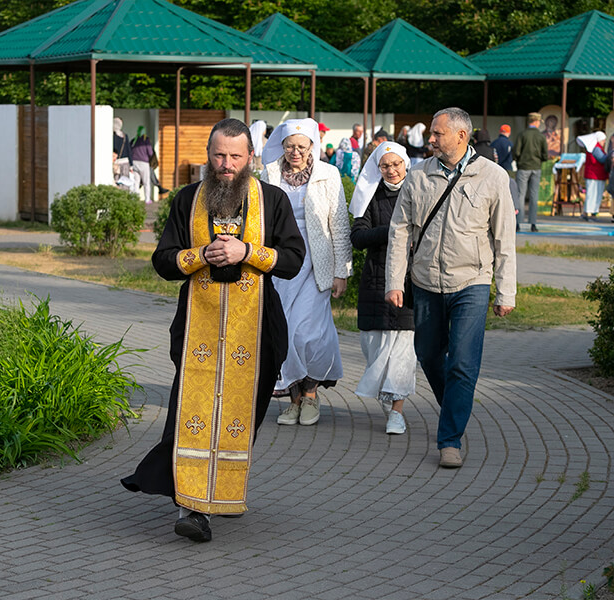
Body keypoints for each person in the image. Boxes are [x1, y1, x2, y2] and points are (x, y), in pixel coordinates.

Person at [120, 118, 305, 542]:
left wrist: (248, 252)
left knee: (242, 417)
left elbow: (293, 260)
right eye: (219, 155)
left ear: (250, 158)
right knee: (193, 416)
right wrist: (200, 254)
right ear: (208, 155)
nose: (226, 165)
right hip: (198, 331)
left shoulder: (272, 200)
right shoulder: (187, 199)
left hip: (257, 333)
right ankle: (193, 506)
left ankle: (221, 492)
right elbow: (163, 261)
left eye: (235, 156)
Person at [385, 107, 516, 469]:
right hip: (426, 281)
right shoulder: (418, 175)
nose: (430, 139)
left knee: (462, 362)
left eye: (437, 133)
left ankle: (450, 439)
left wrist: (506, 291)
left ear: (461, 136)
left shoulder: (492, 176)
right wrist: (395, 281)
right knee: (428, 354)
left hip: (471, 280)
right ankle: (456, 407)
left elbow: (505, 237)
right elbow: (399, 231)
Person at [261, 119, 351, 427]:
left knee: (309, 333)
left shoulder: (328, 174)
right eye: (289, 146)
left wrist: (342, 271)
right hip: (281, 262)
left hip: (316, 263)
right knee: (282, 332)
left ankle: (311, 394)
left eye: (301, 146)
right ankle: (295, 400)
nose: (295, 152)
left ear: (312, 146)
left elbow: (339, 224)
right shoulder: (270, 173)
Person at [350, 141, 415, 435]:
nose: (391, 170)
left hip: (410, 280)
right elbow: (358, 237)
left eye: (396, 164)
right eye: (385, 166)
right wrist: (394, 232)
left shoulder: (417, 191)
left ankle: (397, 412)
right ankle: (388, 400)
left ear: (405, 164)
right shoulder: (370, 196)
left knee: (403, 350)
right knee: (375, 348)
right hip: (376, 279)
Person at [514, 112, 549, 232]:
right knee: (534, 196)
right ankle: (533, 224)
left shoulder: (522, 134)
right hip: (536, 167)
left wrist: (519, 161)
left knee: (520, 195)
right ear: (537, 122)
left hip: (523, 167)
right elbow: (545, 154)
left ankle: (517, 223)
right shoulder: (541, 136)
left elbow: (516, 152)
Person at [576, 131, 608, 220]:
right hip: (595, 175)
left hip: (594, 174)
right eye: (603, 140)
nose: (604, 142)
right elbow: (602, 159)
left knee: (592, 194)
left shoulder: (593, 147)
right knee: (594, 194)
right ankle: (590, 213)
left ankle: (588, 212)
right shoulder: (596, 148)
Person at [130, 127, 156, 203]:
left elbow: (130, 149)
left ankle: (135, 198)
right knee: (146, 182)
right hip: (143, 163)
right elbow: (150, 153)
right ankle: (147, 199)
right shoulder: (146, 140)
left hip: (134, 162)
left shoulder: (134, 140)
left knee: (136, 182)